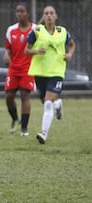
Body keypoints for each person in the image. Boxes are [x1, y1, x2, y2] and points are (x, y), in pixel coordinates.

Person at [25, 5, 75, 144]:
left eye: (51, 13)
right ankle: (58, 104)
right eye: (46, 13)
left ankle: (43, 134)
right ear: (44, 16)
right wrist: (36, 51)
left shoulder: (62, 31)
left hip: (57, 72)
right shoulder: (37, 31)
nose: (49, 15)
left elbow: (71, 44)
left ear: (56, 16)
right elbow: (26, 50)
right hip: (40, 72)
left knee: (47, 104)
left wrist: (69, 54)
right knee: (47, 103)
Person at [4, 2, 36, 136]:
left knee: (25, 96)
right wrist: (6, 55)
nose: (19, 14)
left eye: (22, 11)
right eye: (18, 11)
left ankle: (24, 128)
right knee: (9, 97)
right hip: (14, 68)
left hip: (28, 68)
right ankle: (15, 119)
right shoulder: (11, 30)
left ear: (28, 13)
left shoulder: (36, 29)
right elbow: (8, 49)